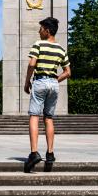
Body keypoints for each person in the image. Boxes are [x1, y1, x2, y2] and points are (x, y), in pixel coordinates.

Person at [23, 16, 72, 173]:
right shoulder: (61, 49)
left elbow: (32, 64)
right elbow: (68, 72)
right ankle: (50, 153)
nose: (39, 31)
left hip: (39, 81)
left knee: (34, 116)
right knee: (49, 118)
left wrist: (27, 81)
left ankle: (34, 152)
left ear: (47, 30)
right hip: (53, 83)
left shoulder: (38, 45)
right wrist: (55, 79)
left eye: (41, 28)